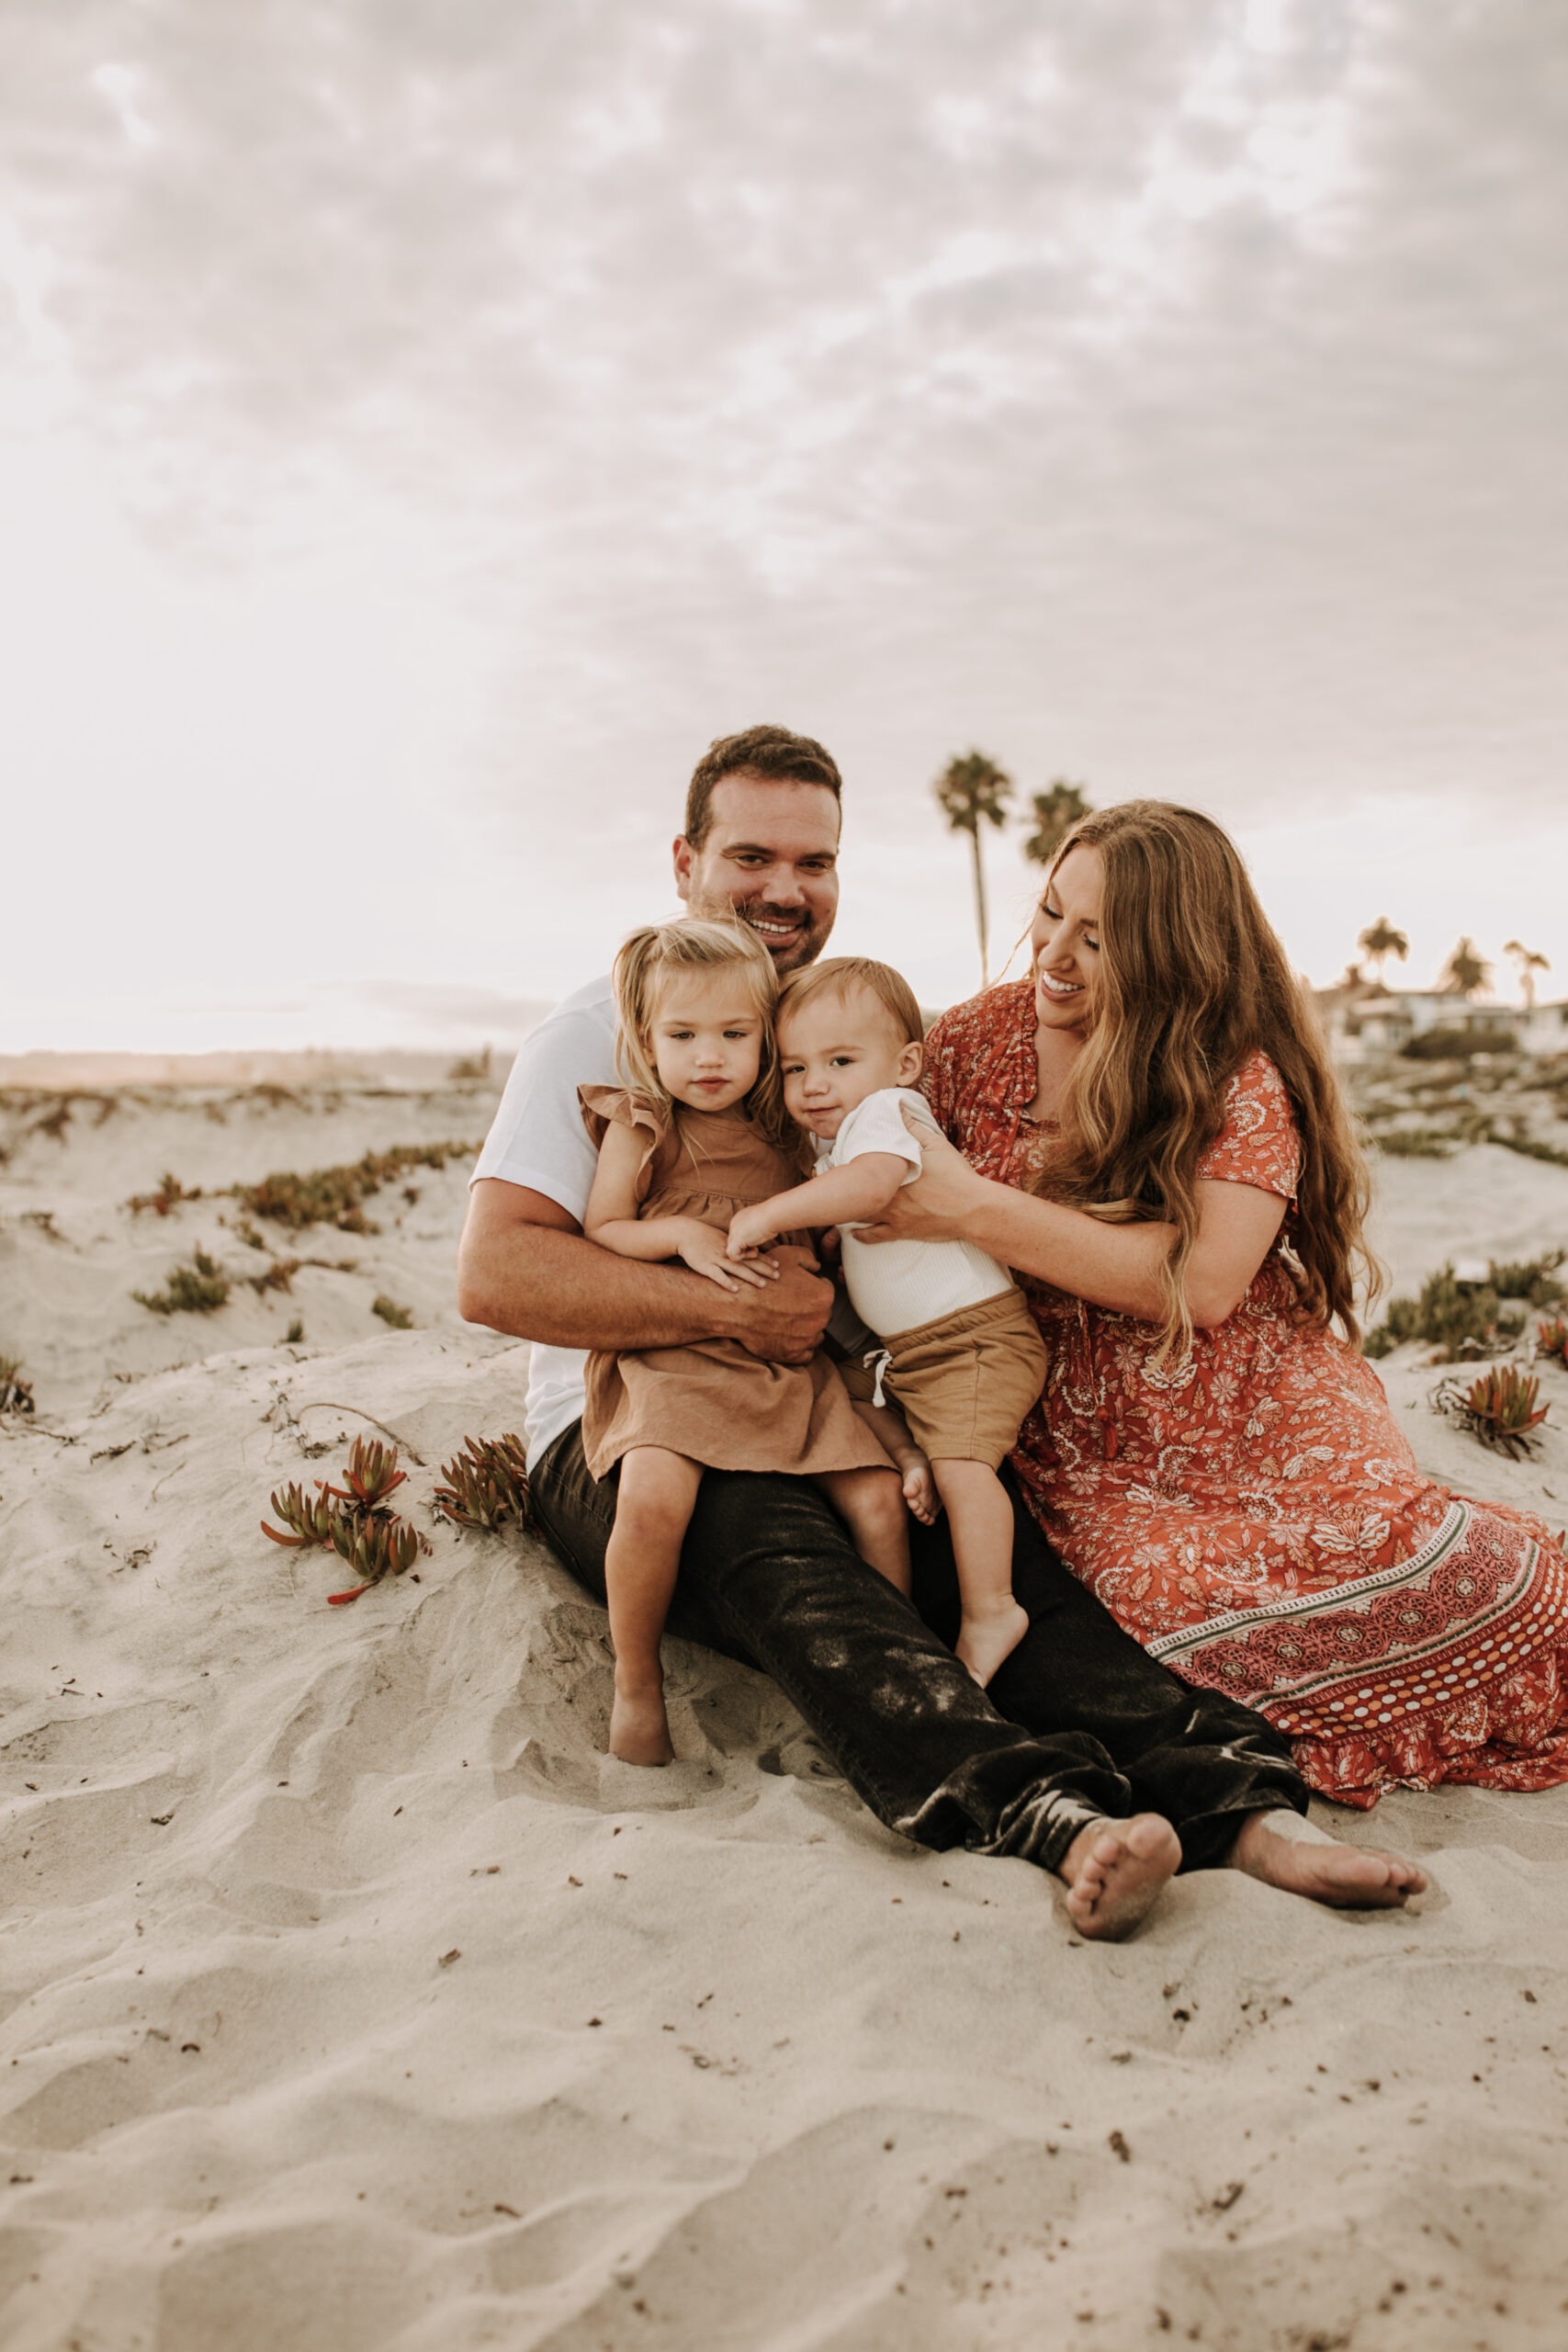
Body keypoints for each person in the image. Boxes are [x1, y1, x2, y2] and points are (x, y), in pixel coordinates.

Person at [457, 724, 1427, 1938]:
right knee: (792, 1573)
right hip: (627, 1425)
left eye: (812, 863)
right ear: (684, 861)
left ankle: (1243, 1812)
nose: (781, 889)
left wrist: (880, 1386)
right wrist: (739, 1309)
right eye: (749, 855)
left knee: (997, 1565)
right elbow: (493, 1275)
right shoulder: (596, 1032)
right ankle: (1045, 1815)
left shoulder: (813, 1035)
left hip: (823, 1402)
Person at [863, 798, 1568, 1808]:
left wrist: (976, 1205)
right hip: (1084, 1438)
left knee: (1481, 1573)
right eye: (1052, 913)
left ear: (1168, 951)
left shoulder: (1230, 1074)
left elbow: (1198, 1282)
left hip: (1260, 1405)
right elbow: (861, 1145)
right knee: (1156, 1598)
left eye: (1097, 938)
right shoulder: (978, 1038)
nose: (1055, 952)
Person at [580, 917, 906, 1766]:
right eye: (682, 1036)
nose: (709, 1057)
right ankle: (636, 1682)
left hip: (786, 1358)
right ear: (647, 1043)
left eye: (734, 1034)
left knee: (875, 1501)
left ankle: (897, 1678)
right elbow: (605, 1227)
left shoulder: (788, 1124)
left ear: (767, 1036)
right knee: (654, 1498)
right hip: (676, 1356)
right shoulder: (644, 1122)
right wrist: (680, 1240)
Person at [727, 955, 1046, 1688]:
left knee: (968, 1469)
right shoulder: (841, 1137)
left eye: (839, 1060)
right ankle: (909, 1457)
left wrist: (774, 1212)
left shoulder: (885, 1114)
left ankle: (993, 1608)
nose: (813, 1086)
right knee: (845, 1384)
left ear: (904, 1064)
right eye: (795, 1067)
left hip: (976, 1338)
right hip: (914, 1351)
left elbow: (871, 1184)